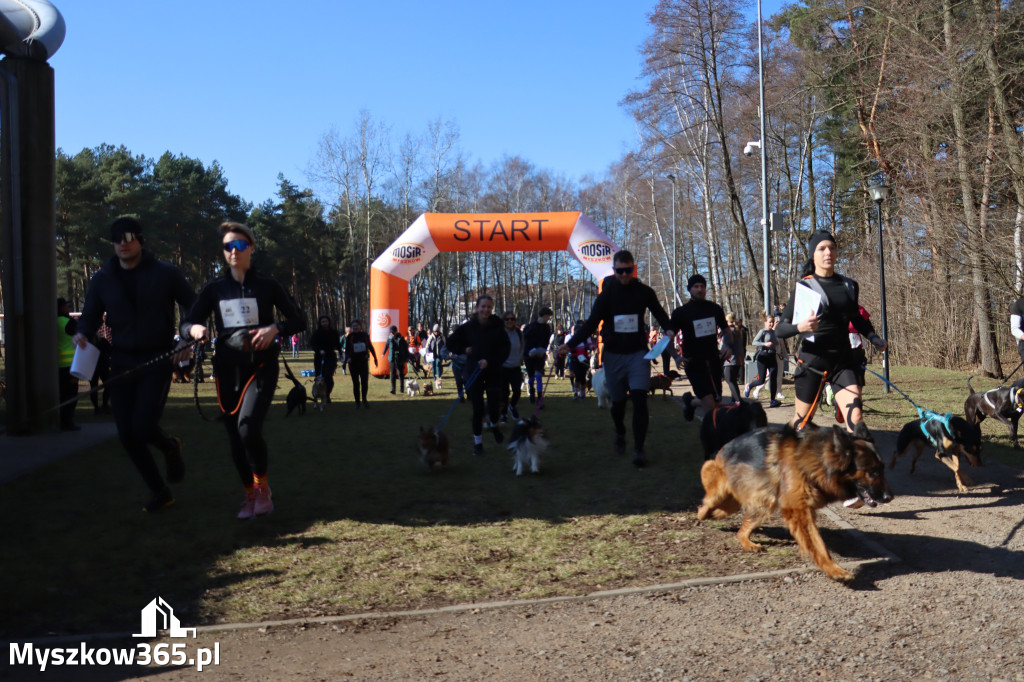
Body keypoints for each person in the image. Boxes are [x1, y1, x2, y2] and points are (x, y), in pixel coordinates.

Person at [183, 221, 306, 520]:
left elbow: (299, 320)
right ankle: (248, 495)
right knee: (234, 436)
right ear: (223, 252)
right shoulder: (214, 288)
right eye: (228, 246)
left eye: (240, 245)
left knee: (248, 428)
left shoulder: (268, 285)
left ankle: (263, 489)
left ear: (251, 247)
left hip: (261, 366)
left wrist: (275, 328)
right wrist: (195, 328)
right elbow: (186, 323)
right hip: (226, 368)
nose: (234, 251)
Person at [72, 217, 196, 512]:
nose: (123, 242)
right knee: (127, 435)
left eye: (128, 237)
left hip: (157, 358)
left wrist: (186, 335)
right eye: (117, 238)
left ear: (140, 240)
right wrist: (82, 333)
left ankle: (168, 447)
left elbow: (194, 303)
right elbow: (90, 315)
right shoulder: (102, 279)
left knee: (142, 427)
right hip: (122, 360)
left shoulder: (165, 273)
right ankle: (160, 492)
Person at [558, 250, 673, 467]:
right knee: (618, 402)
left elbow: (660, 313)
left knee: (640, 399)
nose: (624, 275)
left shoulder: (644, 291)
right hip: (613, 355)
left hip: (638, 353)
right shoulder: (607, 294)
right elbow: (592, 323)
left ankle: (639, 449)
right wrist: (570, 344)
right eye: (620, 271)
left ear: (633, 269)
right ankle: (620, 431)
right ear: (614, 270)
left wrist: (668, 329)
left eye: (628, 270)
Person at [775, 230, 886, 430]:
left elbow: (856, 318)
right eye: (822, 248)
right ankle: (780, 449)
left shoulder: (849, 285)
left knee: (856, 417)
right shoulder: (804, 288)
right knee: (802, 422)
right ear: (813, 255)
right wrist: (800, 327)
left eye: (832, 248)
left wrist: (873, 337)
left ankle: (852, 459)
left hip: (843, 360)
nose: (828, 252)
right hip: (813, 360)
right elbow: (780, 330)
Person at [446, 295, 511, 455]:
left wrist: (490, 361)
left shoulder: (498, 326)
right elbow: (450, 342)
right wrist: (464, 349)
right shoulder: (468, 327)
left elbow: (505, 349)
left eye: (489, 306)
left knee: (494, 407)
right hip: (473, 371)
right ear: (477, 308)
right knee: (478, 409)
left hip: (493, 370)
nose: (486, 310)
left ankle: (494, 425)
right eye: (483, 306)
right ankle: (478, 444)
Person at [673, 274, 732, 422]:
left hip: (713, 360)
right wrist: (676, 356)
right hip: (693, 362)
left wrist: (727, 344)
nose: (700, 289)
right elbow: (668, 338)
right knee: (709, 403)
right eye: (696, 287)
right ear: (690, 290)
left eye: (702, 286)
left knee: (716, 401)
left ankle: (691, 402)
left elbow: (726, 331)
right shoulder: (681, 313)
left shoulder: (715, 309)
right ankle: (712, 435)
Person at [744, 313, 781, 408]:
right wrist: (765, 344)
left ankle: (773, 400)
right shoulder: (762, 331)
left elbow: (775, 342)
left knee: (773, 378)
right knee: (761, 380)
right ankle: (749, 386)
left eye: (773, 322)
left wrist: (776, 343)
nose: (772, 324)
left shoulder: (773, 332)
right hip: (763, 357)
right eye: (770, 322)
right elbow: (754, 342)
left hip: (772, 356)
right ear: (765, 322)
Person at [57, 298, 80, 431]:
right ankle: (67, 422)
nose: (69, 307)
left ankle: (60, 420)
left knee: (61, 394)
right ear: (61, 308)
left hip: (56, 365)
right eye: (66, 305)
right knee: (71, 394)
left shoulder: (51, 321)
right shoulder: (70, 323)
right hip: (70, 364)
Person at [523, 307, 553, 403]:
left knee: (539, 375)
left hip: (540, 354)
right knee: (531, 376)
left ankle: (540, 396)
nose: (549, 318)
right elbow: (524, 340)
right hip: (529, 355)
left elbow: (546, 341)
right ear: (544, 315)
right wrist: (528, 352)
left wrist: (543, 352)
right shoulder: (531, 326)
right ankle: (532, 392)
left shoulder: (547, 328)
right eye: (548, 316)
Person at [344, 319, 377, 408]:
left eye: (357, 326)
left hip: (363, 363)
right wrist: (348, 358)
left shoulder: (365, 335)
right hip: (353, 363)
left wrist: (375, 358)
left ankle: (364, 399)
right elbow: (346, 350)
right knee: (356, 383)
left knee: (364, 382)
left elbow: (370, 347)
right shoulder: (350, 336)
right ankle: (357, 402)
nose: (355, 327)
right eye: (354, 326)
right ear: (352, 327)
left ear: (360, 326)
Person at [309, 315, 342, 403]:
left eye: (326, 321)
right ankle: (318, 393)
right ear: (320, 323)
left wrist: (341, 353)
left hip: (331, 357)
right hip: (319, 357)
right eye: (323, 321)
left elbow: (338, 344)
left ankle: (327, 394)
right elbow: (313, 344)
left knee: (328, 377)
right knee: (319, 377)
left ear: (329, 322)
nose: (324, 323)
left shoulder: (334, 332)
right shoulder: (316, 333)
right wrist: (319, 350)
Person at [500, 310, 525, 422]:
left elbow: (523, 346)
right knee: (504, 393)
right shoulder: (500, 333)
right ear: (504, 321)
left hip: (515, 367)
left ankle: (512, 406)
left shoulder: (519, 333)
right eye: (507, 319)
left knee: (517, 391)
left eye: (512, 319)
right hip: (503, 368)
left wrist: (520, 358)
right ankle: (503, 413)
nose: (510, 321)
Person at [722, 312, 746, 403]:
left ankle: (738, 401)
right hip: (738, 359)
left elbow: (727, 346)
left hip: (731, 359)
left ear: (727, 320)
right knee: (733, 380)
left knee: (729, 380)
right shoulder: (737, 330)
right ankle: (734, 401)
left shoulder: (729, 331)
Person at [384, 326, 409, 394]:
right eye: (391, 332)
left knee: (400, 373)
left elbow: (405, 347)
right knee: (392, 373)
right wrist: (383, 353)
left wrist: (407, 356)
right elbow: (387, 345)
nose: (392, 333)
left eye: (393, 332)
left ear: (396, 331)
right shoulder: (389, 338)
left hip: (400, 358)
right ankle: (393, 389)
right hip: (392, 358)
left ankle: (401, 389)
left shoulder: (401, 338)